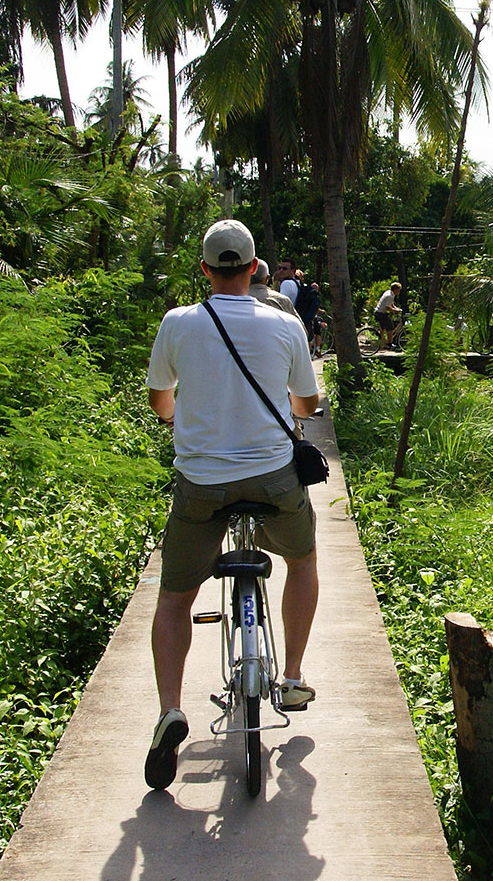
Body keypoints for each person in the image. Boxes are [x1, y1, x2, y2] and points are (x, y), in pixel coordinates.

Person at [143, 219, 321, 791]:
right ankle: (291, 675)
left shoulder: (178, 323)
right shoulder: (283, 322)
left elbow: (160, 401)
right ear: (253, 270)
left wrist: (181, 418)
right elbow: (308, 401)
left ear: (205, 270)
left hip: (202, 484)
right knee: (304, 561)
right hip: (272, 479)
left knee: (174, 599)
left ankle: (170, 709)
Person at [294, 271, 321, 355]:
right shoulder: (313, 295)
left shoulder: (305, 292)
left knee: (310, 335)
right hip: (309, 318)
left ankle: (315, 349)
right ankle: (316, 350)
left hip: (302, 316)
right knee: (312, 335)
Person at [374, 281, 403, 348]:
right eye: (399, 290)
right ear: (395, 289)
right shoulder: (390, 296)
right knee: (390, 328)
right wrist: (394, 311)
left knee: (383, 328)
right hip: (381, 313)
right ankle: (389, 344)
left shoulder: (389, 293)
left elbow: (391, 304)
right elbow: (387, 307)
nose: (399, 292)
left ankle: (381, 343)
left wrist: (395, 308)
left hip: (378, 312)